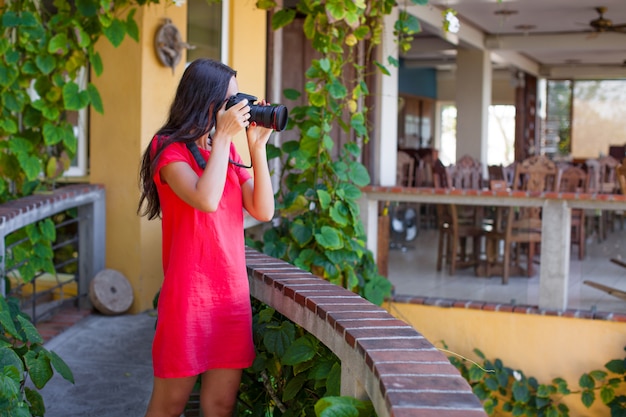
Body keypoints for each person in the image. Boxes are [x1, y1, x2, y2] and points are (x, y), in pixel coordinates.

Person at [137, 58, 275, 417]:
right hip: (188, 297)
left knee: (220, 405)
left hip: (230, 296)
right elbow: (206, 199)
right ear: (205, 101)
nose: (237, 108)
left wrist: (256, 147)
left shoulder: (224, 150)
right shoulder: (167, 148)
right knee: (169, 405)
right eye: (230, 100)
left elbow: (263, 210)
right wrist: (225, 136)